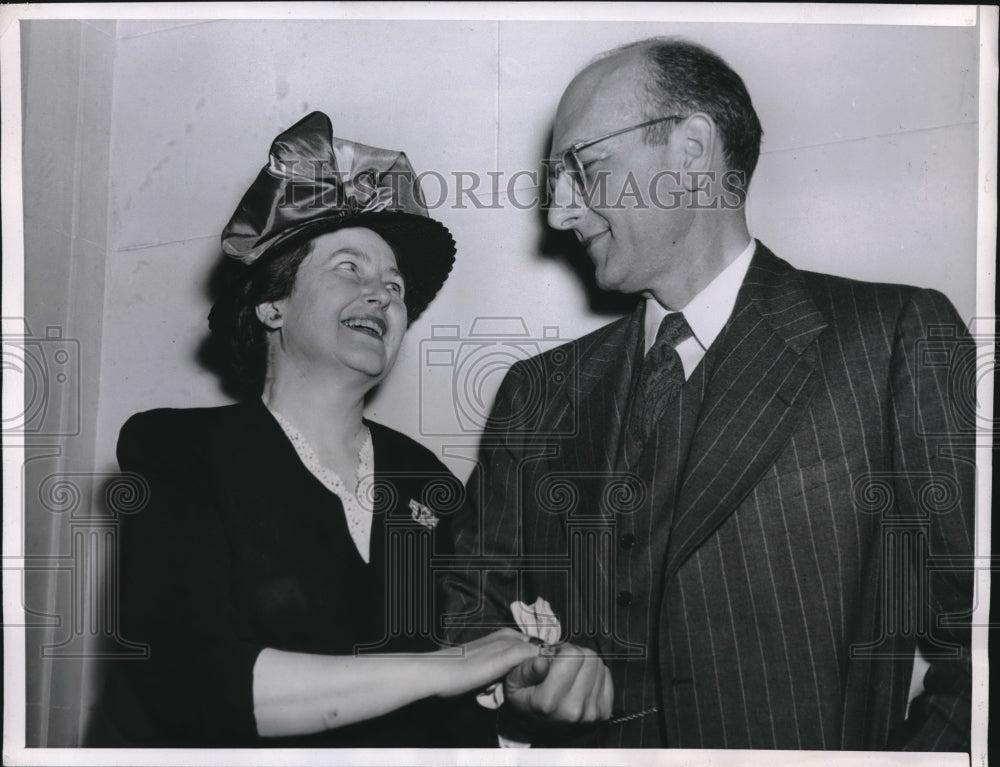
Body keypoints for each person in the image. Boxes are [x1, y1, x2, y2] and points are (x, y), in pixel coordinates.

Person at [444, 38, 974, 750]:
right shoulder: (534, 392)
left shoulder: (896, 339)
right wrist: (525, 676)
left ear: (693, 148)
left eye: (585, 169)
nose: (560, 213)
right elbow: (470, 619)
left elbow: (978, 648)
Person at [92, 111, 541, 747]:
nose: (383, 297)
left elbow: (457, 706)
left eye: (395, 286)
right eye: (349, 269)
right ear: (271, 304)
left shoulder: (429, 481)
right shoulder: (177, 449)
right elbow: (189, 684)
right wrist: (447, 668)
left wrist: (522, 689)